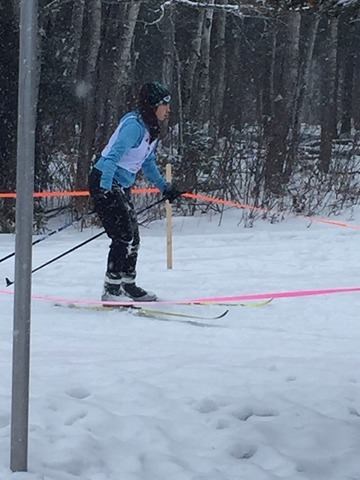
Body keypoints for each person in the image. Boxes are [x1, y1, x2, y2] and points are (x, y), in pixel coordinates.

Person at [89, 81, 181, 302]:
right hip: (105, 179)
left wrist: (165, 188)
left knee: (134, 237)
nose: (168, 109)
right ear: (153, 106)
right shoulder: (134, 126)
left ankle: (128, 284)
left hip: (121, 183)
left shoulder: (151, 129)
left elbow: (147, 163)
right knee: (123, 235)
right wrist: (104, 189)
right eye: (164, 105)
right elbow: (112, 157)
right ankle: (111, 290)